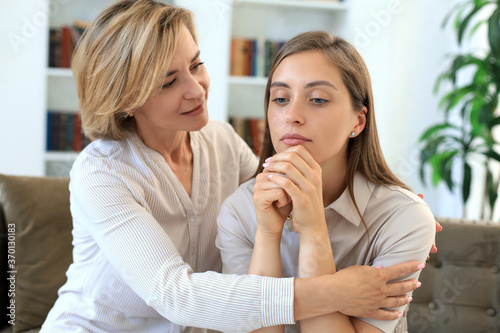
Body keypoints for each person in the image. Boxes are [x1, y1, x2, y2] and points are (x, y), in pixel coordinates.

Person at [41, 1, 428, 332]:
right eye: (169, 82)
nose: (196, 89)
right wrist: (338, 290)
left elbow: (277, 193)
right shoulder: (102, 172)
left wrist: (398, 214)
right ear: (125, 98)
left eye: (196, 65)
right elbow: (174, 294)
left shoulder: (220, 140)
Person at [216, 31, 436, 333]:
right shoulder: (239, 210)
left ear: (358, 122)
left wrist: (313, 229)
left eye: (318, 99)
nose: (291, 115)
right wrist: (267, 234)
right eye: (280, 99)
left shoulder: (403, 217)